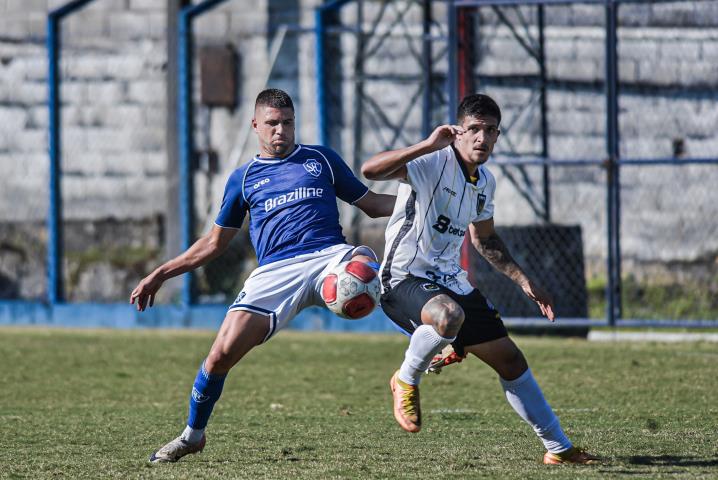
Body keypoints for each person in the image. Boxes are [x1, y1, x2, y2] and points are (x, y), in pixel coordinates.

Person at [131, 88, 394, 463]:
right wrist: (162, 273)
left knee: (363, 269)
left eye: (287, 123)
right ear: (255, 125)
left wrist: (422, 204)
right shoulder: (244, 179)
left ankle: (429, 341)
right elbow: (213, 244)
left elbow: (372, 204)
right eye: (272, 123)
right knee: (219, 356)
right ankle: (192, 436)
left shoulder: (321, 159)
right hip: (274, 272)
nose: (280, 131)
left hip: (329, 258)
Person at [361, 93, 599, 465]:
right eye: (473, 129)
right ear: (457, 132)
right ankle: (406, 378)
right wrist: (426, 143)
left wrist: (523, 280)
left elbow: (485, 238)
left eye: (490, 131)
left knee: (511, 360)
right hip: (403, 276)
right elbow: (370, 170)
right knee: (448, 317)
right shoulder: (429, 163)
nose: (481, 138)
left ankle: (558, 448)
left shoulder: (484, 181)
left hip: (450, 281)